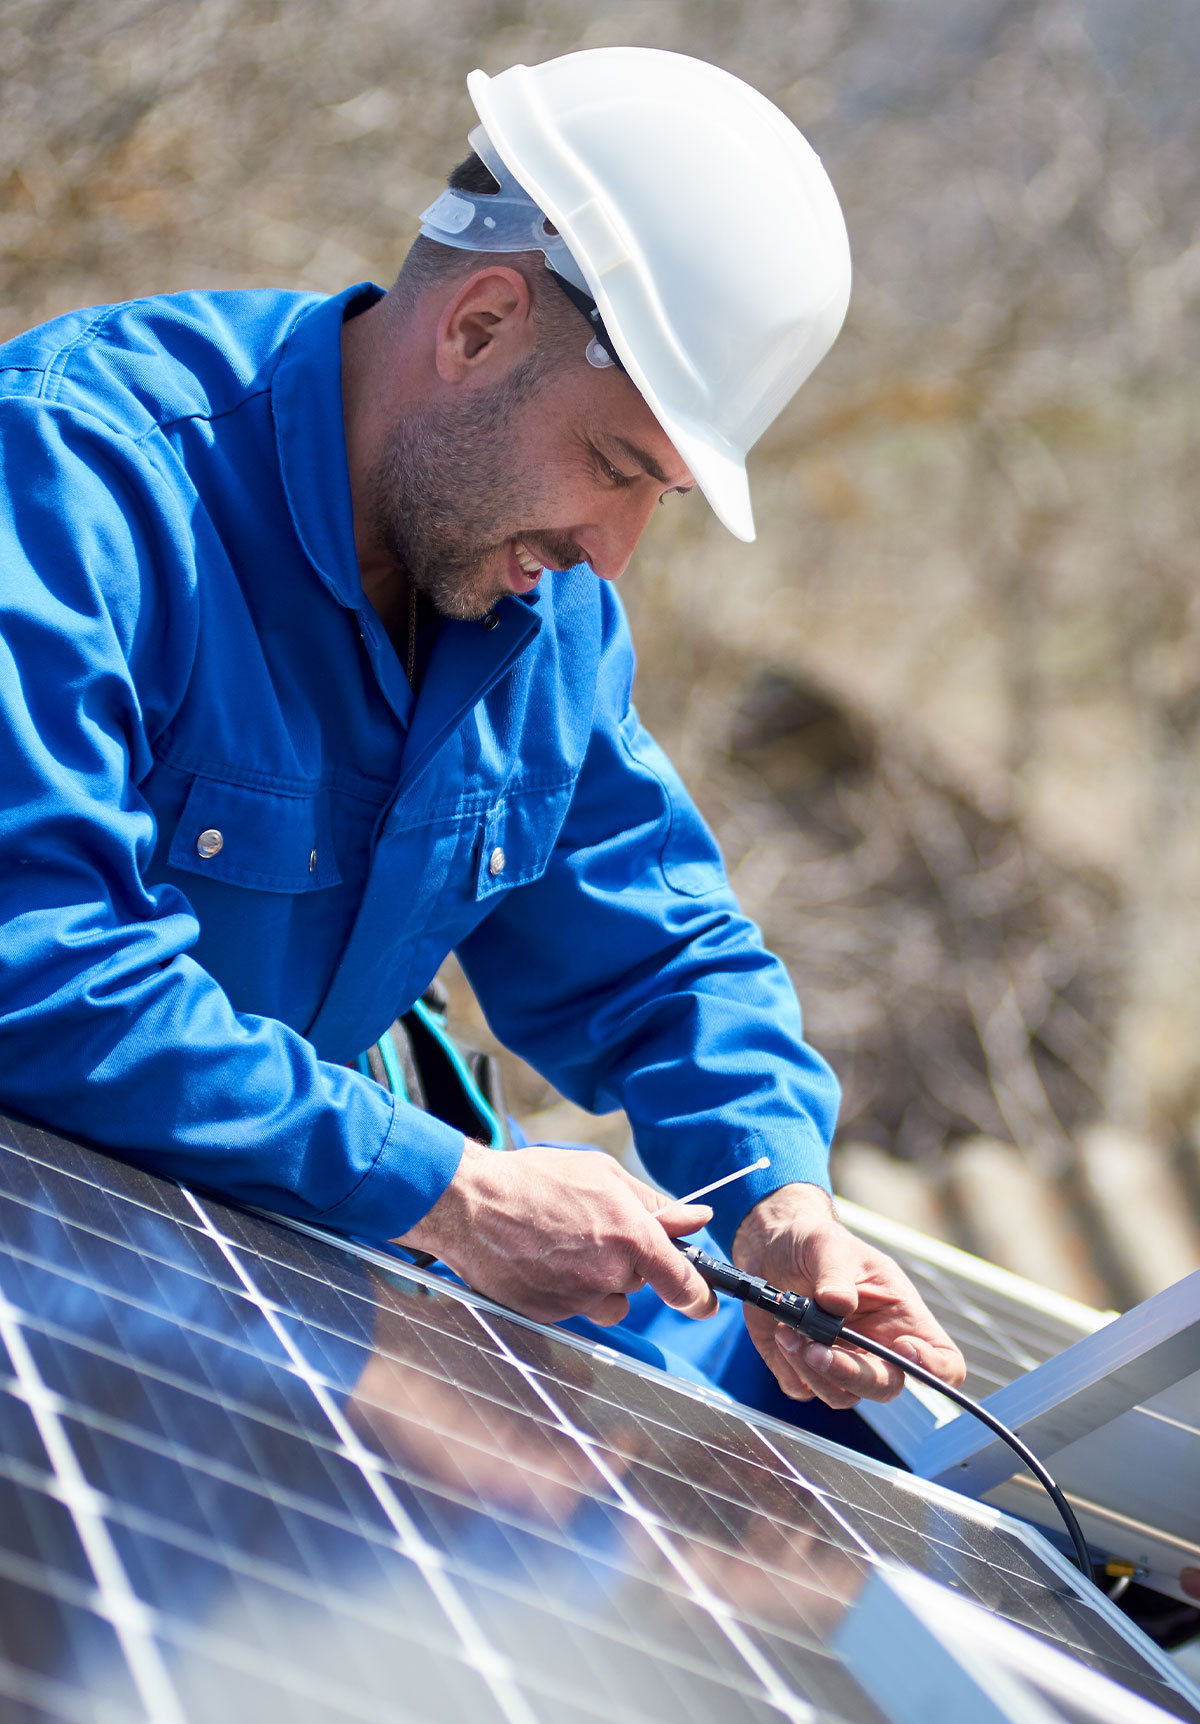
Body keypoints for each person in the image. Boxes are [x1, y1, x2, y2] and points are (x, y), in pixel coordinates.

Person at [0, 46, 964, 1429]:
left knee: (785, 1453)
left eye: (662, 498)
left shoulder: (543, 605)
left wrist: (775, 1198)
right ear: (479, 326)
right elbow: (33, 959)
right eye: (617, 467)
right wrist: (443, 1189)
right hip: (52, 1265)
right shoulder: (74, 476)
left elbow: (662, 949)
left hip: (267, 1264)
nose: (614, 551)